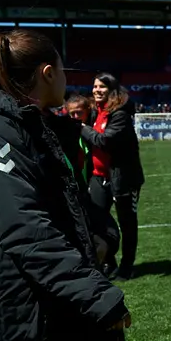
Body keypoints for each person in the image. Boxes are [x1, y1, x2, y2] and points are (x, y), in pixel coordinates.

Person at [0, 29, 131, 341]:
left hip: (54, 321)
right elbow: (23, 227)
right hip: (19, 329)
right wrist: (97, 296)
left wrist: (103, 234)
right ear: (47, 74)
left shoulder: (39, 128)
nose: (67, 79)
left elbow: (68, 201)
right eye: (64, 71)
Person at [80, 73, 145, 281]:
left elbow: (105, 141)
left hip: (124, 179)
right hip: (98, 177)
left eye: (102, 87)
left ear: (112, 90)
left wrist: (81, 129)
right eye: (94, 86)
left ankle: (127, 266)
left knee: (127, 223)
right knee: (95, 221)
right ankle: (109, 262)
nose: (96, 90)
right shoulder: (95, 112)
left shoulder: (120, 115)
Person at [60, 93, 121, 265]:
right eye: (71, 113)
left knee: (103, 226)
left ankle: (105, 261)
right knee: (97, 227)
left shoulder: (95, 128)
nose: (75, 117)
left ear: (88, 110)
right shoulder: (66, 132)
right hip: (78, 188)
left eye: (79, 112)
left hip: (100, 180)